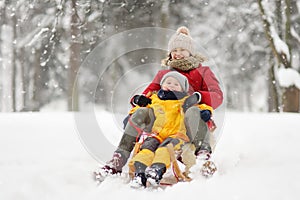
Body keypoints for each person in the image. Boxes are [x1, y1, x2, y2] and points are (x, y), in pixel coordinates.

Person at [95, 26, 223, 180]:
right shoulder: (164, 74)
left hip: (189, 124)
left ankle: (203, 157)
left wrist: (198, 97)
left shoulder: (203, 72)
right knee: (142, 112)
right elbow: (149, 94)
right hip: (163, 122)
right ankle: (118, 160)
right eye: (175, 50)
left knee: (192, 112)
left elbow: (218, 96)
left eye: (182, 49)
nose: (178, 53)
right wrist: (138, 103)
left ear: (191, 52)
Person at [127, 71, 213, 187]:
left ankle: (156, 170)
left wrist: (205, 111)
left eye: (176, 84)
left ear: (182, 90)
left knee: (165, 149)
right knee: (146, 149)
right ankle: (140, 173)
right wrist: (137, 100)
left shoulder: (185, 101)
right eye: (168, 82)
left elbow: (200, 107)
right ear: (162, 85)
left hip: (176, 135)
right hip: (156, 134)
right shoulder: (155, 99)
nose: (172, 85)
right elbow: (137, 110)